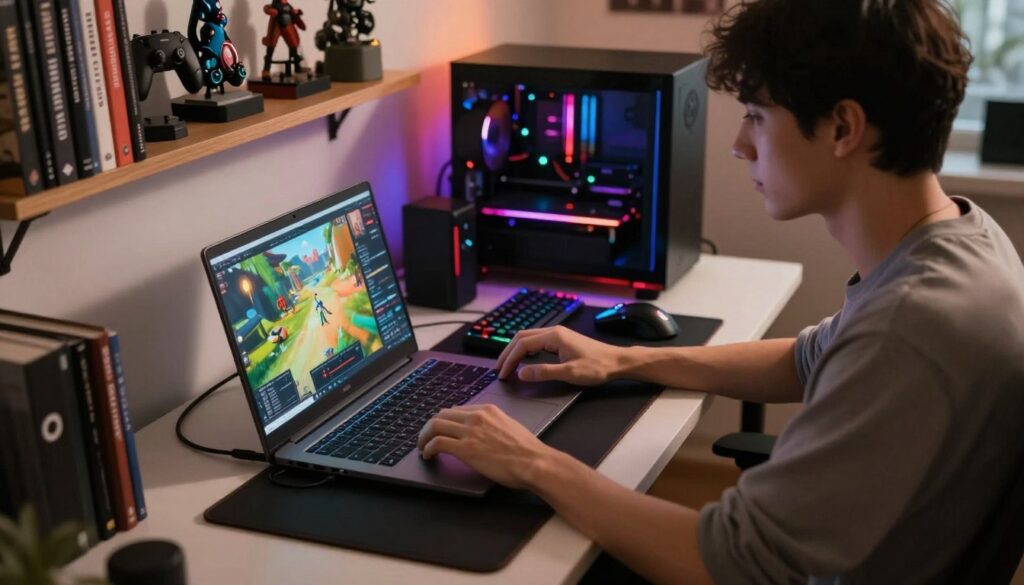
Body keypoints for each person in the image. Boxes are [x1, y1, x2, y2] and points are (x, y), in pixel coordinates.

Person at [416, 1, 1024, 583]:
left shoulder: (908, 327)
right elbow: (804, 359)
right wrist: (624, 360)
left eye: (757, 116)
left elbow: (730, 562)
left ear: (842, 127)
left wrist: (532, 462)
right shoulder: (964, 241)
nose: (740, 144)